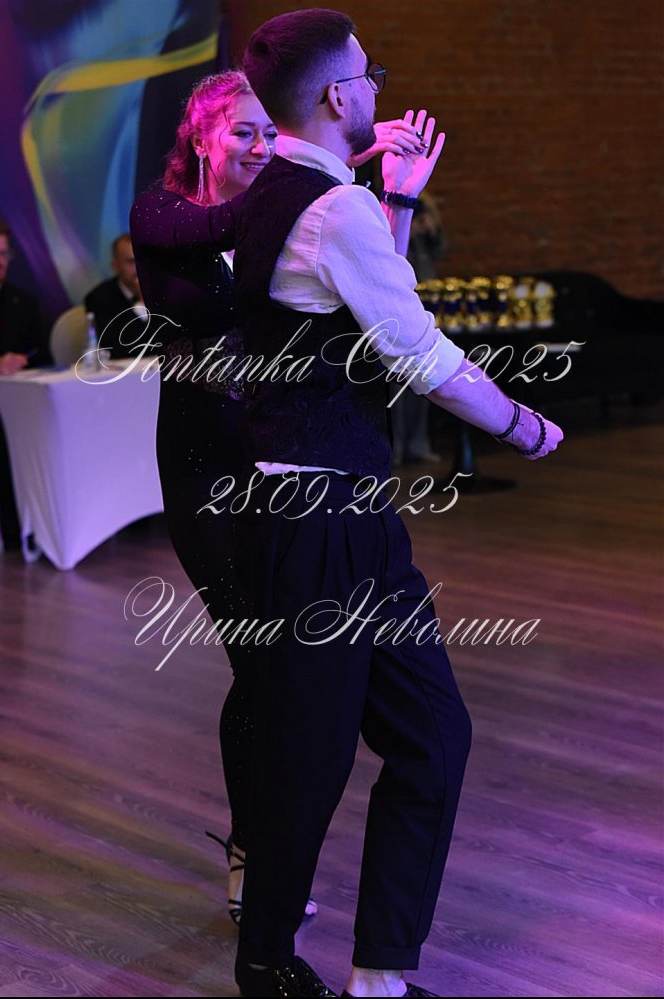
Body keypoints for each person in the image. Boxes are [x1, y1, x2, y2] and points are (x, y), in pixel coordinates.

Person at [228, 9, 564, 998]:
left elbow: (369, 313)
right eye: (369, 75)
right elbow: (415, 352)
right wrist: (519, 423)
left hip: (340, 512)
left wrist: (399, 198)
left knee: (431, 736)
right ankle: (266, 962)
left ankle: (378, 977)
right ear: (340, 96)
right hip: (316, 519)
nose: (379, 88)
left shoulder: (291, 194)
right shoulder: (331, 208)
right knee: (314, 755)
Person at [129, 70, 426, 929]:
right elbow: (231, 222)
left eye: (272, 132)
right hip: (204, 470)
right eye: (245, 133)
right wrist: (338, 159)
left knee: (286, 668)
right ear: (201, 138)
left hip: (283, 471)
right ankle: (252, 851)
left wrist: (391, 197)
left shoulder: (294, 217)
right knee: (257, 659)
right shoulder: (166, 214)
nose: (263, 148)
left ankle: (263, 851)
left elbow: (377, 297)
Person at [0, 216, 50, 551]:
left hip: (21, 403)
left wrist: (22, 360)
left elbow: (42, 353)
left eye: (4, 254)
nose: (0, 263)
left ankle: (33, 530)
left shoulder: (23, 301)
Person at [391, 191, 447, 464]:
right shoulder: (392, 215)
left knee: (424, 383)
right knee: (397, 390)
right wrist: (407, 230)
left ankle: (417, 446)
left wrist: (432, 227)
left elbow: (440, 251)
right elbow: (391, 259)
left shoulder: (424, 230)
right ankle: (396, 450)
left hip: (426, 306)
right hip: (399, 310)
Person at [84, 234, 153, 358]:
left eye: (143, 260)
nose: (139, 268)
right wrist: (142, 303)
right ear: (115, 265)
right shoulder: (99, 298)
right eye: (131, 261)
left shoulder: (162, 292)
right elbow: (114, 348)